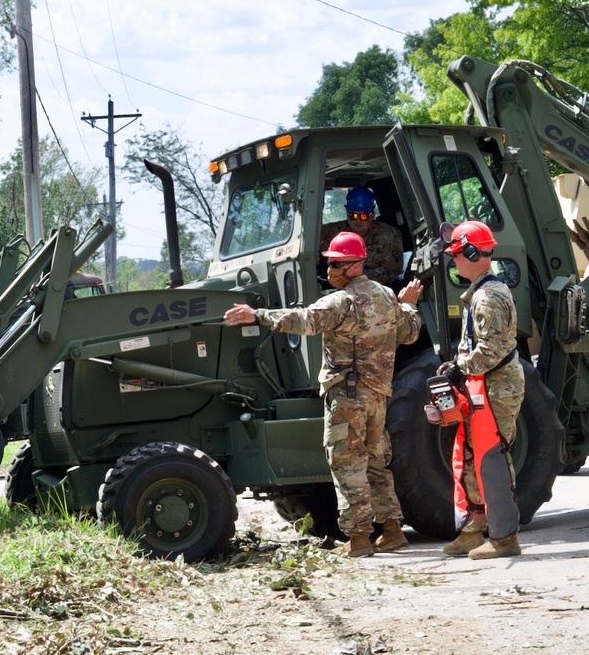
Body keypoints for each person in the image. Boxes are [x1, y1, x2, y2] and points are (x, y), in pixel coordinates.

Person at [224, 231, 424, 557]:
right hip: (376, 396)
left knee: (347, 465)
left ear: (354, 266)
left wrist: (257, 315)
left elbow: (304, 321)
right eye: (329, 263)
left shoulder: (340, 302)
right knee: (376, 462)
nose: (329, 269)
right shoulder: (387, 297)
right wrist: (408, 305)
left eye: (335, 263)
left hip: (347, 396)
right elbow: (409, 333)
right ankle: (391, 530)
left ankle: (358, 538)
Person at [439, 221, 523, 559]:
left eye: (458, 254)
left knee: (493, 457)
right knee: (473, 453)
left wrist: (460, 369)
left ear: (473, 253)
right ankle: (475, 527)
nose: (455, 261)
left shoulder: (487, 297)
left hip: (496, 386)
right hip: (484, 384)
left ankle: (504, 537)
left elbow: (491, 351)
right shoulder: (482, 291)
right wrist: (457, 367)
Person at [321, 186, 404, 285]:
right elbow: (311, 241)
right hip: (340, 286)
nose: (358, 220)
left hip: (377, 289)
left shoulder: (389, 235)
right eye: (353, 216)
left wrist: (354, 276)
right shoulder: (336, 231)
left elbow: (391, 271)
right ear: (347, 215)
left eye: (363, 216)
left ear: (372, 215)